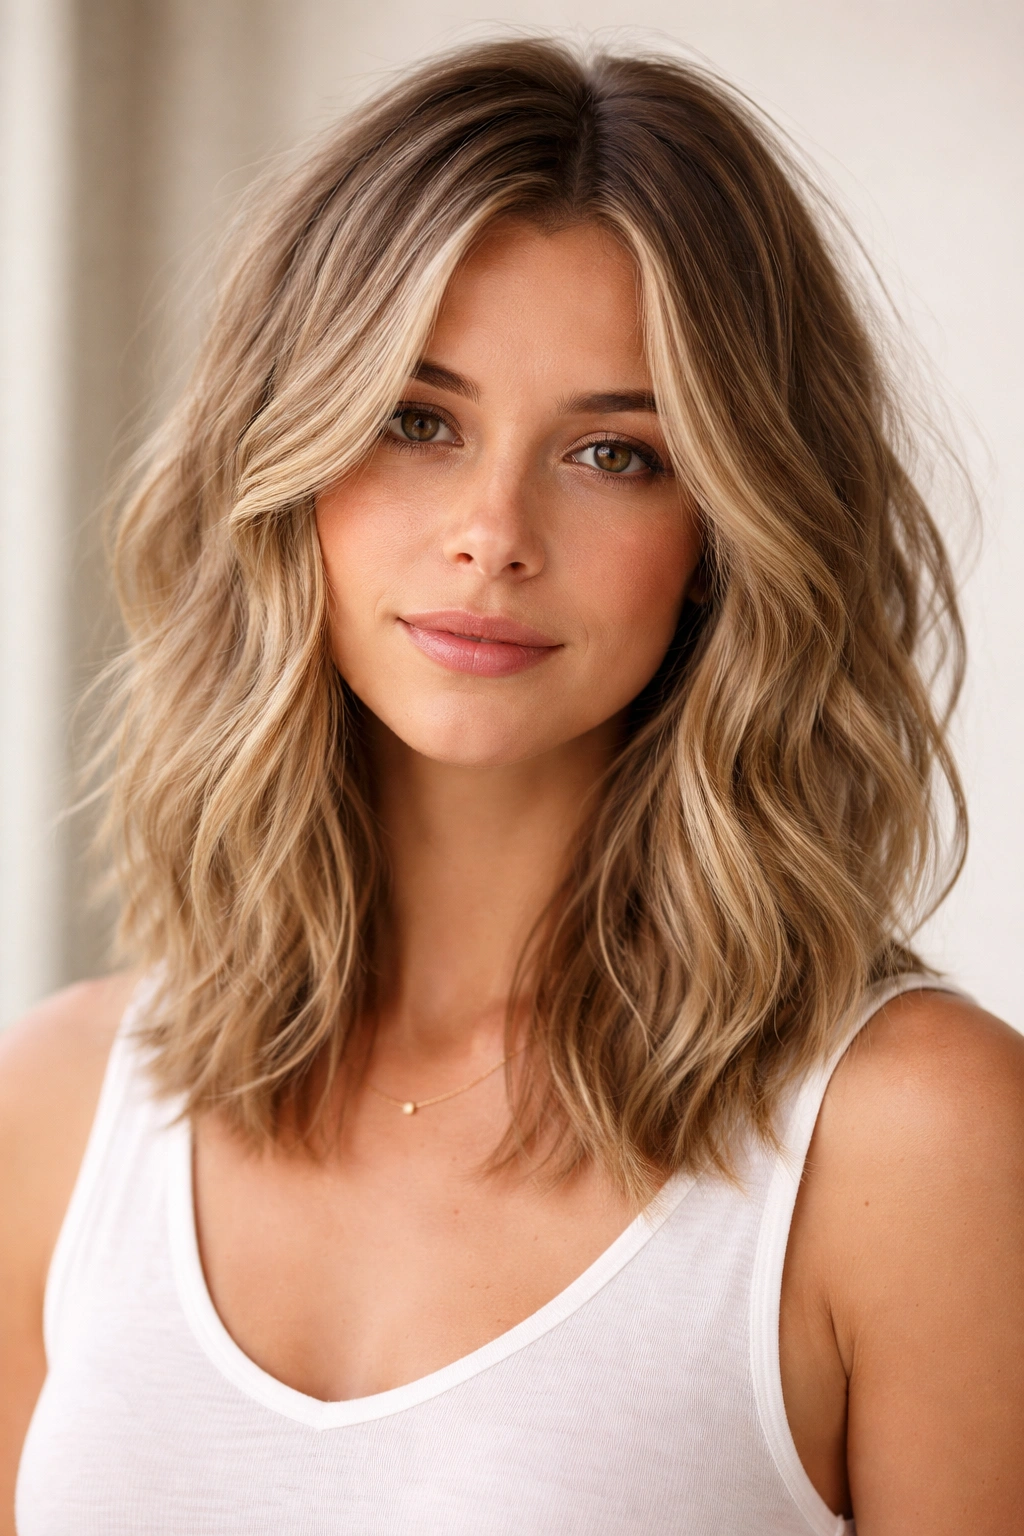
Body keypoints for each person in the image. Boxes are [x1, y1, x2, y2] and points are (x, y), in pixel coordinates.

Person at [1, 36, 1021, 1536]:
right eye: (416, 421)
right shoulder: (60, 1103)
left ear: (728, 534)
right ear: (284, 468)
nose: (493, 533)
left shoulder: (918, 1140)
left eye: (614, 453)